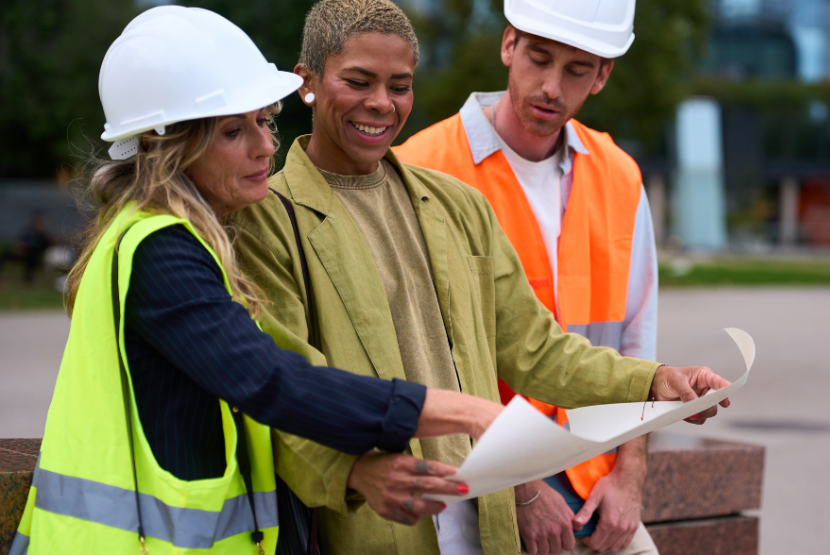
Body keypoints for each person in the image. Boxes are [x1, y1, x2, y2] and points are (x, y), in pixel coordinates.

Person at [228, 2, 732, 555]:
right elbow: (284, 392)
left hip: (485, 523)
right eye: (358, 81)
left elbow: (536, 351)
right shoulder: (269, 218)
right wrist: (354, 473)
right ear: (308, 82)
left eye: (400, 85)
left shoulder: (457, 205)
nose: (380, 103)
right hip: (378, 525)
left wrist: (652, 381)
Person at [11, 7, 503, 555]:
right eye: (232, 130)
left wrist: (354, 471)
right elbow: (270, 381)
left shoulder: (171, 237)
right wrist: (464, 411)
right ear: (169, 146)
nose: (265, 145)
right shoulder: (160, 251)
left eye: (265, 120)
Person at [395, 1, 659, 553]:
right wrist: (521, 489)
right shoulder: (421, 169)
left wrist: (629, 476)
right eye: (539, 59)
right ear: (509, 45)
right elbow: (418, 359)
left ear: (603, 75)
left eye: (577, 70)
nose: (551, 88)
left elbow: (637, 345)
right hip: (473, 479)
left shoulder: (620, 177)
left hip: (594, 481)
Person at [0, 211, 53, 284]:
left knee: (32, 256)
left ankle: (28, 279)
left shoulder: (43, 235)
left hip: (33, 255)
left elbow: (46, 246)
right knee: (4, 255)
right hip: (23, 253)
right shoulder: (28, 231)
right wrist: (20, 249)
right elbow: (20, 242)